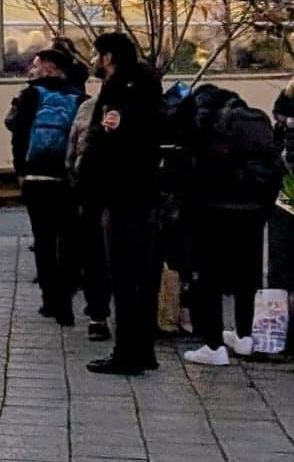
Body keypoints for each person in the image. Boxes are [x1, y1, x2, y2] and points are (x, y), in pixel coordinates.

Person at [179, 84, 283, 366]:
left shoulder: (208, 117)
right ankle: (244, 336)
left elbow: (192, 159)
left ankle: (213, 346)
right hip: (255, 208)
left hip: (216, 209)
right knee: (247, 275)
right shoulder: (253, 118)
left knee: (209, 276)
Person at [80, 32, 164, 375]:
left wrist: (91, 176)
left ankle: (127, 353)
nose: (94, 60)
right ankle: (143, 350)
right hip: (143, 192)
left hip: (122, 192)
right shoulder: (146, 85)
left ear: (109, 57)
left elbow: (110, 141)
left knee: (124, 275)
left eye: (97, 54)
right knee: (141, 275)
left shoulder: (120, 92)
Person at [6, 48, 86, 326]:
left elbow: (18, 135)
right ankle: (66, 302)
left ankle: (50, 300)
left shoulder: (30, 95)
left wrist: (20, 171)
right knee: (68, 240)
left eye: (38, 64)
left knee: (44, 240)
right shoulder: (80, 98)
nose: (33, 68)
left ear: (51, 69)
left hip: (36, 180)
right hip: (67, 179)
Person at [67, 92, 111, 340]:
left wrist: (74, 180)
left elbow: (72, 148)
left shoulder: (90, 106)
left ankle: (98, 318)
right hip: (127, 195)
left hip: (92, 192)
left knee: (95, 256)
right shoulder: (143, 104)